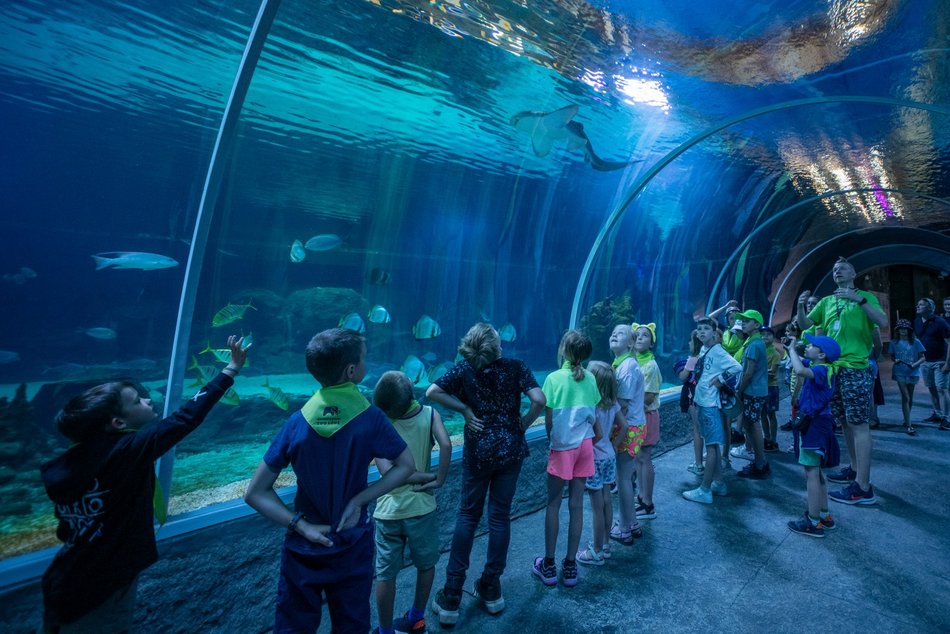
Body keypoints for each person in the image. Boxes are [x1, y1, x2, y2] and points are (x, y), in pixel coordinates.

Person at [41, 335, 248, 633]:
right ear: (118, 424)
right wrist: (229, 370)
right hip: (103, 584)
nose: (147, 399)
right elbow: (186, 418)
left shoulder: (67, 464)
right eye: (137, 400)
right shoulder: (129, 450)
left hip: (66, 575)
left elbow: (68, 525)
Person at [245, 329, 415, 634]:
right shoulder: (371, 418)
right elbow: (405, 466)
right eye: (364, 358)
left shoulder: (296, 422)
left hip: (303, 549)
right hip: (351, 542)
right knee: (352, 625)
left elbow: (255, 493)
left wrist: (300, 525)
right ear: (351, 371)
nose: (366, 362)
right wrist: (359, 499)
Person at [427, 323, 545, 627]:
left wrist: (465, 411)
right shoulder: (516, 367)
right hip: (510, 449)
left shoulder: (464, 369)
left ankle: (452, 594)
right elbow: (539, 400)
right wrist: (524, 422)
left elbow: (432, 391)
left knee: (468, 516)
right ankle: (491, 587)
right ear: (497, 346)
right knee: (499, 516)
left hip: (479, 450)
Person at [798, 257, 887, 505]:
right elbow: (807, 324)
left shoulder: (866, 297)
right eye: (834, 269)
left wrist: (857, 299)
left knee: (859, 424)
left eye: (842, 268)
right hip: (833, 370)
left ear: (853, 273)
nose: (837, 271)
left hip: (856, 367)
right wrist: (800, 306)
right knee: (846, 422)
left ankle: (863, 487)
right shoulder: (827, 301)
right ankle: (855, 469)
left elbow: (882, 322)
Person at [371, 371, 452, 634]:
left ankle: (384, 631)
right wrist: (436, 477)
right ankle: (416, 618)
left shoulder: (380, 424)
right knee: (426, 565)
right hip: (422, 507)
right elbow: (447, 445)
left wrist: (410, 475)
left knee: (385, 574)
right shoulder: (430, 415)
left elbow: (386, 472)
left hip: (388, 511)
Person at [533, 330, 600, 587]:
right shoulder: (591, 378)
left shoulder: (553, 379)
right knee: (576, 505)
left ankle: (548, 564)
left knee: (553, 504)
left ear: (563, 349)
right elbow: (592, 410)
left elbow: (549, 420)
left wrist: (553, 438)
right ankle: (570, 565)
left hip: (562, 449)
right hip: (585, 446)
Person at [785, 334, 842, 538]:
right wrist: (795, 347)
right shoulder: (825, 367)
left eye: (812, 345)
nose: (807, 346)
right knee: (817, 473)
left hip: (814, 425)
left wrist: (791, 349)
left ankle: (813, 521)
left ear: (822, 354)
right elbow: (802, 360)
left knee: (810, 473)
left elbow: (799, 369)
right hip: (822, 422)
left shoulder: (819, 369)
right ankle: (824, 514)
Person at [682, 318, 742, 504]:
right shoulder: (703, 349)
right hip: (703, 402)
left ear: (715, 332)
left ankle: (705, 489)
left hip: (710, 405)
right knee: (713, 444)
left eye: (706, 329)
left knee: (712, 445)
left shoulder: (717, 351)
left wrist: (721, 380)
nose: (701, 332)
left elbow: (737, 367)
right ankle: (719, 483)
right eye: (699, 329)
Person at [577, 361, 624, 566]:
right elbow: (625, 425)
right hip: (609, 456)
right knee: (606, 500)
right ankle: (605, 545)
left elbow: (595, 434)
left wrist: (589, 447)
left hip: (595, 459)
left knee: (596, 507)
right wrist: (613, 446)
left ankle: (595, 551)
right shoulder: (612, 403)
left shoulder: (592, 405)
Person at [732, 309, 771, 480]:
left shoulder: (754, 344)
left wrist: (739, 391)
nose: (743, 324)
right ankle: (759, 461)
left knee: (753, 425)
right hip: (755, 391)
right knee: (750, 424)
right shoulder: (753, 342)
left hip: (753, 391)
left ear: (756, 324)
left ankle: (760, 463)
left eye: (747, 321)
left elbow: (748, 373)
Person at [913, 298, 950, 429]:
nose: (918, 306)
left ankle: (947, 418)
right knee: (931, 387)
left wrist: (948, 363)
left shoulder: (939, 322)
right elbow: (917, 340)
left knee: (942, 388)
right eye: (918, 304)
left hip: (940, 360)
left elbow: (949, 342)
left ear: (930, 308)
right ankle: (937, 413)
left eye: (921, 304)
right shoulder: (917, 321)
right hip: (925, 361)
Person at [890, 319, 926, 435]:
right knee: (905, 396)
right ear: (898, 330)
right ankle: (909, 425)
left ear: (909, 330)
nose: (903, 331)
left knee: (910, 396)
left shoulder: (916, 342)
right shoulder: (894, 343)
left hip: (913, 372)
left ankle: (907, 419)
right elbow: (892, 356)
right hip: (899, 371)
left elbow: (923, 357)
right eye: (901, 329)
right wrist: (895, 360)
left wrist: (915, 365)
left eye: (905, 329)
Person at [760, 326, 781, 451]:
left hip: (771, 387)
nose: (765, 337)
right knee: (762, 414)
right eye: (762, 334)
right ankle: (766, 437)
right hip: (761, 387)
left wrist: (758, 371)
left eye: (768, 334)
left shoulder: (775, 354)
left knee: (771, 414)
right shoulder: (760, 351)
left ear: (773, 338)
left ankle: (773, 439)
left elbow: (772, 373)